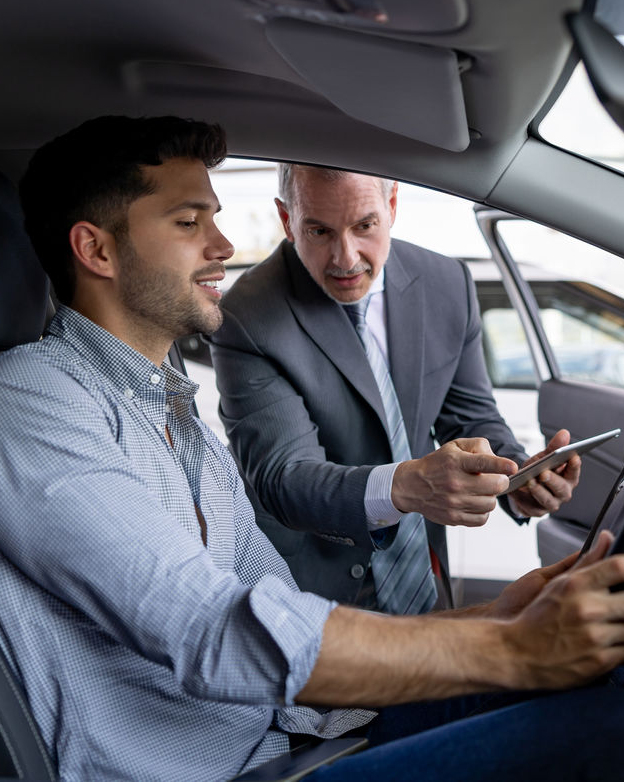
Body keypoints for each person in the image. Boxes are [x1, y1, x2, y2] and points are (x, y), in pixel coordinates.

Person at [0, 116, 624, 782]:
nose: (223, 243)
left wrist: (500, 614)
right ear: (97, 252)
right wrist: (508, 648)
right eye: (188, 223)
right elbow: (211, 629)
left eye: (213, 217)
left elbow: (271, 600)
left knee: (603, 677)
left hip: (291, 734)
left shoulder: (175, 414)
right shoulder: (25, 406)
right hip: (217, 769)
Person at [208, 165, 581, 613]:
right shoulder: (247, 316)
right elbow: (284, 479)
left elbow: (469, 416)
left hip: (425, 571)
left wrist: (515, 474)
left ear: (392, 206)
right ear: (287, 220)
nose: (345, 258)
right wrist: (407, 486)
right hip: (311, 591)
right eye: (319, 231)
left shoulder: (447, 283)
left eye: (364, 226)